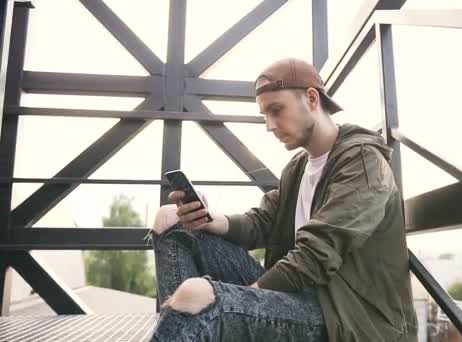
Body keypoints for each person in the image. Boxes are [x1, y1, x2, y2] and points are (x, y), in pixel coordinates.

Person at [149, 58, 418, 341]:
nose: (269, 125)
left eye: (276, 110)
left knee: (196, 296)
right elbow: (263, 222)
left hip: (346, 318)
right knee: (170, 219)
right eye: (265, 114)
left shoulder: (363, 162)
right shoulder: (298, 167)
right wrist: (211, 220)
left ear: (312, 99)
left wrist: (243, 304)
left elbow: (317, 254)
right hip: (297, 298)